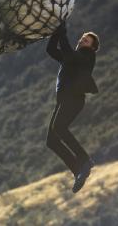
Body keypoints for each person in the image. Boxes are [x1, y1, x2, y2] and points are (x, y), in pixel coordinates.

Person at [46, 21, 99, 193]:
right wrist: (56, 32)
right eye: (82, 38)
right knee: (52, 140)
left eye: (86, 41)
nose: (82, 41)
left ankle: (84, 159)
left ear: (91, 48)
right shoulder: (73, 57)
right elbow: (52, 51)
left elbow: (69, 54)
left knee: (59, 128)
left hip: (74, 99)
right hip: (64, 100)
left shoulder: (87, 56)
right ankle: (78, 170)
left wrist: (62, 33)